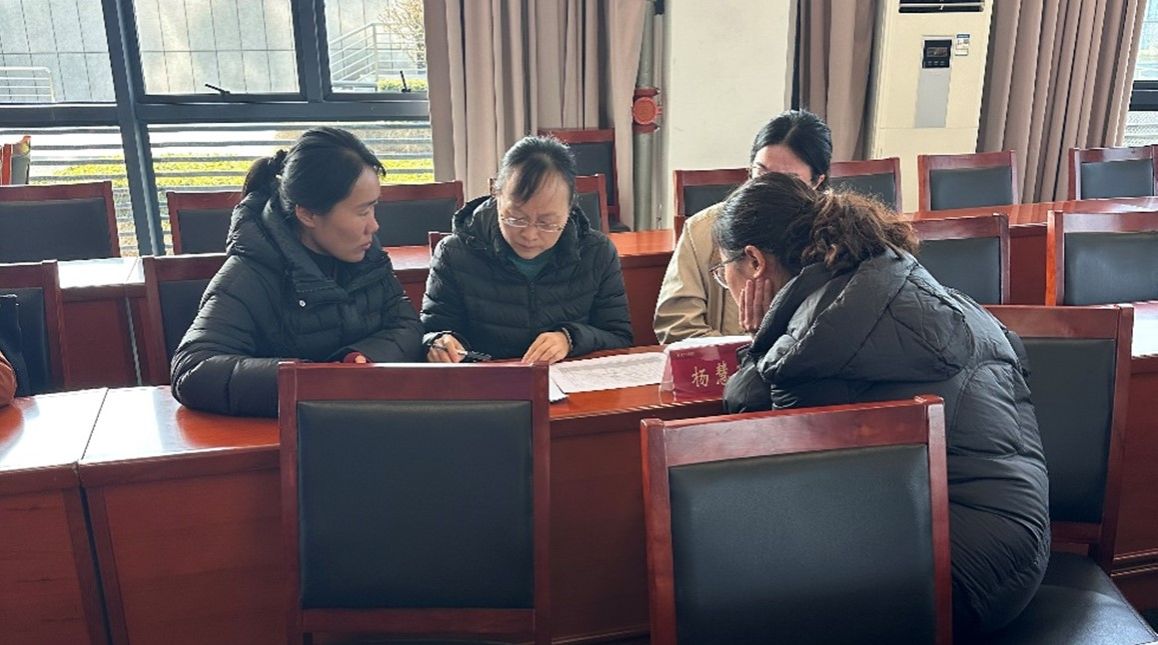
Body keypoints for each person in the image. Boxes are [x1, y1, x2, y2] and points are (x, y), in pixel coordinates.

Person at [715, 172, 1050, 635]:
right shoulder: (894, 276)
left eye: (723, 272)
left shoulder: (812, 338)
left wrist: (761, 341)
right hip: (1018, 543)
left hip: (950, 579)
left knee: (727, 551)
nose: (726, 284)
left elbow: (760, 445)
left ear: (753, 262)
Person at [171, 127, 424, 417]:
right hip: (285, 435)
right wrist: (312, 382)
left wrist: (358, 361)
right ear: (307, 214)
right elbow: (192, 369)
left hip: (361, 421)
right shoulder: (249, 273)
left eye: (373, 208)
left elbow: (407, 326)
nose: (374, 226)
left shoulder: (368, 257)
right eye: (362, 212)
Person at [422, 135, 633, 363]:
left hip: (565, 380)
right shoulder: (454, 254)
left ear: (570, 207)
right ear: (496, 194)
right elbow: (430, 333)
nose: (530, 235)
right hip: (487, 379)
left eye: (547, 223)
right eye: (516, 218)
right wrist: (439, 342)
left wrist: (570, 338)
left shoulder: (597, 252)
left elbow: (619, 337)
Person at [653, 109, 832, 343]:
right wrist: (744, 353)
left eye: (786, 179)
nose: (767, 187)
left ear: (816, 182)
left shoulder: (834, 235)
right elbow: (677, 324)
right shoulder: (704, 228)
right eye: (761, 173)